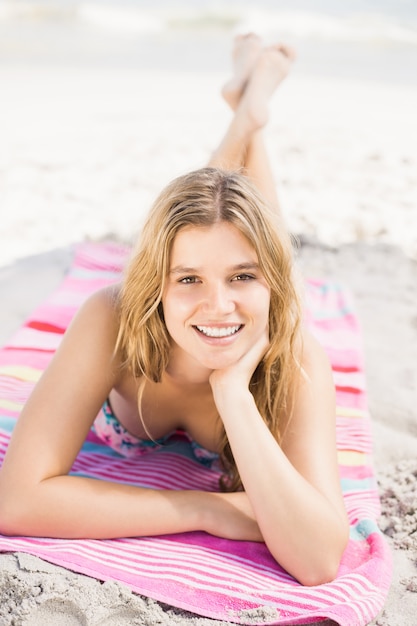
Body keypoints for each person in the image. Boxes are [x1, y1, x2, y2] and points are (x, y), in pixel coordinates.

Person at [0, 34, 349, 586]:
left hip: (270, 321)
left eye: (244, 278)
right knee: (213, 220)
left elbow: (321, 559)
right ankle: (246, 114)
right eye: (187, 280)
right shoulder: (112, 319)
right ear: (155, 286)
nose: (217, 304)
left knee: (243, 228)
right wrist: (203, 509)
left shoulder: (296, 350)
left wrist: (233, 392)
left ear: (271, 288)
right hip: (151, 306)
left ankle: (245, 115)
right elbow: (16, 500)